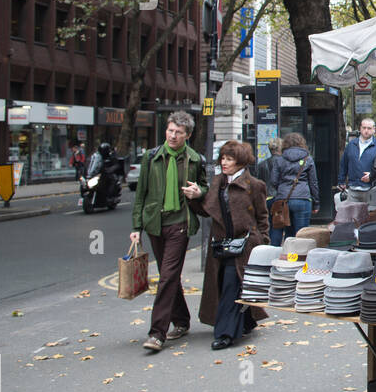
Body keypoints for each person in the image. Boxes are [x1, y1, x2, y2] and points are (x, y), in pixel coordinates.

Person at [130, 111, 208, 352]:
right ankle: (182, 321)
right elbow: (141, 192)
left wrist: (199, 192)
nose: (173, 135)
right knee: (169, 276)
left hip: (180, 224)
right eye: (170, 130)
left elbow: (204, 186)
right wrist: (136, 227)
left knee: (167, 276)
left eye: (178, 132)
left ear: (188, 135)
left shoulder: (195, 160)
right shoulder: (151, 157)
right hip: (155, 223)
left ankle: (157, 334)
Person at [190, 141, 269, 351]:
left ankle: (225, 333)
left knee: (231, 286)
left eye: (229, 159)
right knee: (225, 285)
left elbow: (262, 218)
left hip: (245, 246)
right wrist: (196, 197)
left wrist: (264, 245)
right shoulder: (218, 182)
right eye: (223, 158)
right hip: (221, 245)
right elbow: (207, 210)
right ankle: (246, 321)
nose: (224, 163)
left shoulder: (254, 185)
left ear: (241, 162)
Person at [267, 132, 320, 245]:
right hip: (302, 199)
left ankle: (276, 255)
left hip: (282, 199)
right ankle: (298, 259)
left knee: (280, 228)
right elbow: (313, 183)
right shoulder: (308, 159)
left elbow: (273, 181)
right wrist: (316, 203)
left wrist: (282, 189)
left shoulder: (279, 159)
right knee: (301, 234)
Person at [338, 117, 376, 194]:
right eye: (364, 128)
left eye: (369, 128)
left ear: (374, 129)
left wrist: (372, 175)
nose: (366, 131)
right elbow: (344, 164)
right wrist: (341, 181)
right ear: (360, 128)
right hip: (352, 188)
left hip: (371, 189)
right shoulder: (351, 145)